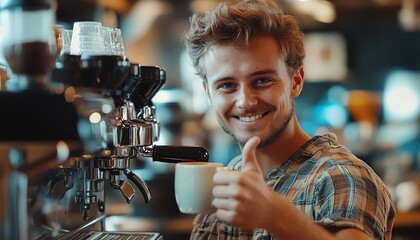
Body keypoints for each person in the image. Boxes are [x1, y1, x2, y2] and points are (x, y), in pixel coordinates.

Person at [182, 0, 395, 239]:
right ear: (208, 93)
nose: (245, 102)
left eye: (262, 80)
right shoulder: (227, 179)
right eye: (227, 85)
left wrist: (273, 215)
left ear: (296, 81)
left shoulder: (341, 175)